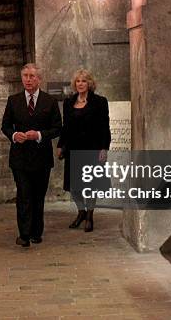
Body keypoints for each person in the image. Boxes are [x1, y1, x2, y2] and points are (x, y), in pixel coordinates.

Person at [1, 63, 62, 247]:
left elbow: (57, 128)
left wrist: (40, 135)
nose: (28, 79)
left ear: (39, 79)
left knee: (38, 196)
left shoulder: (49, 101)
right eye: (25, 76)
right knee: (24, 195)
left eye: (32, 76)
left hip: (42, 158)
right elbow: (5, 125)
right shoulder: (13, 100)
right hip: (19, 157)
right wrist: (13, 135)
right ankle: (24, 234)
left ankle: (37, 232)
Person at [57, 69, 111, 232]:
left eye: (84, 81)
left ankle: (90, 216)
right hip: (73, 148)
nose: (80, 84)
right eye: (78, 81)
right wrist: (61, 145)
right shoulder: (68, 102)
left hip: (93, 148)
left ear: (89, 84)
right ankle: (81, 211)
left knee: (91, 185)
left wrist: (104, 148)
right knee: (74, 186)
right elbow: (65, 127)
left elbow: (104, 127)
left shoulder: (100, 102)